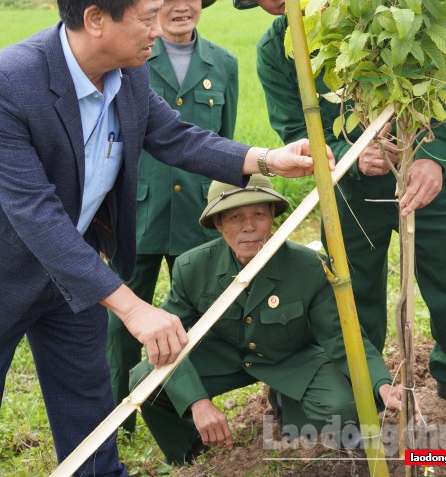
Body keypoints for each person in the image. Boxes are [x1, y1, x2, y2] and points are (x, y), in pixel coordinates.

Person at [0, 0, 323, 477]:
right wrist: (133, 307)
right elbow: (35, 213)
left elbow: (177, 136)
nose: (160, 30)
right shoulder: (4, 86)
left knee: (88, 410)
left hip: (74, 275)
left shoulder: (129, 74)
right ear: (96, 18)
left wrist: (267, 158)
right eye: (147, 17)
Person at [227, 0, 446, 417]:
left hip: (423, 177)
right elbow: (295, 127)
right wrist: (347, 152)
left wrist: (432, 157)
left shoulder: (377, 9)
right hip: (351, 191)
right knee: (357, 293)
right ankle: (373, 384)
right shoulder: (276, 51)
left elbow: (437, 89)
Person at [130, 175, 402, 465]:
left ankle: (287, 403)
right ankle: (192, 451)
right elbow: (168, 340)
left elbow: (342, 337)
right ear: (219, 224)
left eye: (258, 214)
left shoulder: (308, 266)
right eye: (235, 217)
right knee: (146, 379)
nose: (249, 226)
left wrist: (382, 384)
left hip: (291, 358)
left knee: (342, 409)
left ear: (272, 216)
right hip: (225, 358)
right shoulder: (192, 267)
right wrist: (198, 403)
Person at [105, 0, 239, 432]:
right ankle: (119, 414)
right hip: (139, 213)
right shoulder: (131, 58)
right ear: (154, 7)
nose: (183, 7)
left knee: (199, 316)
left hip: (197, 214)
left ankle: (189, 406)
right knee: (125, 318)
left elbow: (223, 141)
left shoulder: (224, 63)